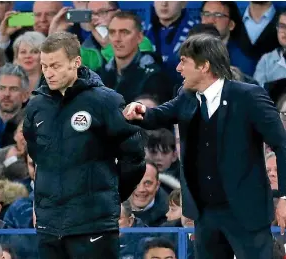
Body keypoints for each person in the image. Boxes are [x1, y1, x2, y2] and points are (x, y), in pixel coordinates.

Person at [123, 33, 286, 259]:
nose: (178, 68)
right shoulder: (187, 96)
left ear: (204, 66)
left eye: (184, 62)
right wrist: (139, 110)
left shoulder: (248, 96)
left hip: (245, 212)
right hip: (205, 214)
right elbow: (159, 115)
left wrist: (285, 198)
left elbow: (282, 144)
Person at [23, 31, 146, 259]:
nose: (48, 73)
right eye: (44, 66)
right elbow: (36, 155)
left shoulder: (106, 101)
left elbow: (135, 157)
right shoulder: (36, 105)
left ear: (75, 62)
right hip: (49, 226)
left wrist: (110, 196)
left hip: (94, 225)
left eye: (56, 66)